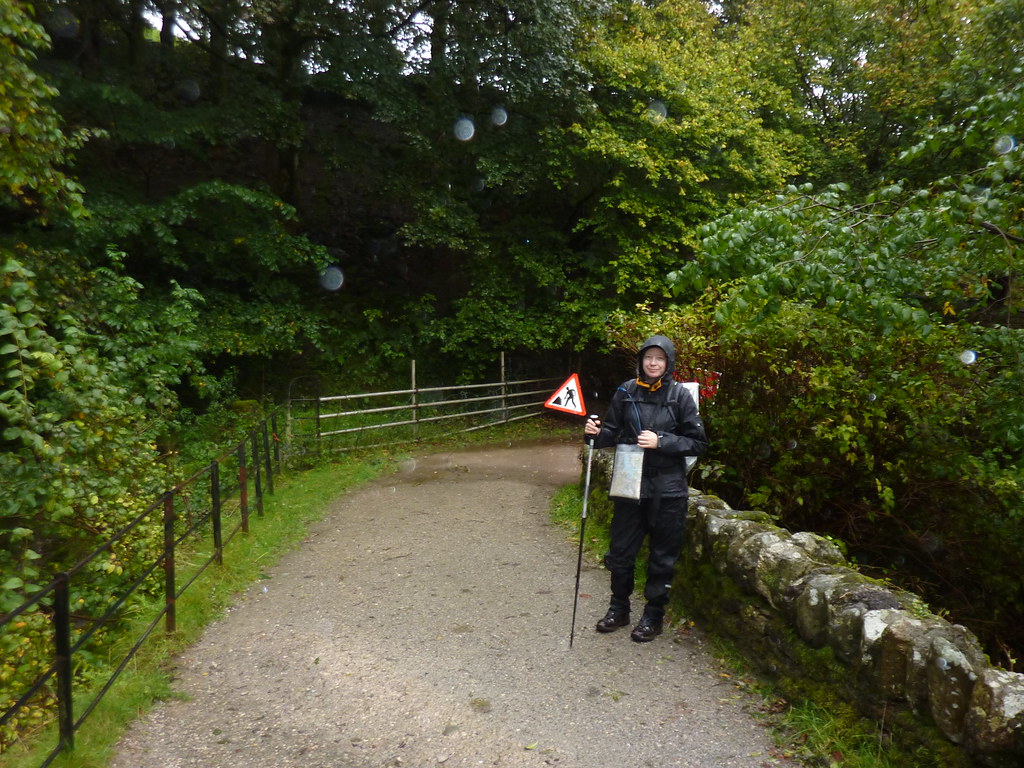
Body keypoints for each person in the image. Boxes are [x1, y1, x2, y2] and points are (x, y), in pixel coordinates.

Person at [583, 335, 708, 642]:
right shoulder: (626, 391)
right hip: (630, 482)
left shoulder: (680, 396)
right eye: (648, 358)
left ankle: (653, 615)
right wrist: (594, 434)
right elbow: (611, 432)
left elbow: (698, 442)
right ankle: (619, 609)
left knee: (662, 556)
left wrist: (662, 442)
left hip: (668, 488)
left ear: (668, 363)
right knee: (621, 551)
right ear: (641, 360)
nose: (653, 363)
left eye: (659, 359)